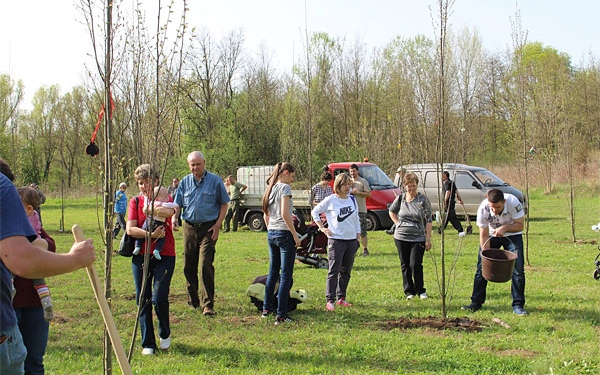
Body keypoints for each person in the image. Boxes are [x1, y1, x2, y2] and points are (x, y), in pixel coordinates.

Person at [0, 158, 95, 374]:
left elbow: (46, 243)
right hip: (11, 309)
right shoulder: (2, 189)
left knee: (34, 359)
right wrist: (75, 259)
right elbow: (20, 257)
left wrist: (38, 244)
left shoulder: (31, 225)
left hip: (33, 301)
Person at [126, 164, 177, 355]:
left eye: (146, 182)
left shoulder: (166, 197)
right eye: (140, 183)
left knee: (159, 297)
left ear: (156, 182)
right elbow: (130, 229)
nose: (143, 187)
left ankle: (165, 332)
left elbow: (171, 212)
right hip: (141, 256)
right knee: (143, 298)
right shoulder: (135, 202)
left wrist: (153, 209)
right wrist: (150, 233)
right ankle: (147, 342)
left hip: (165, 254)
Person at [174, 151, 229, 316]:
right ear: (188, 165)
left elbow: (224, 204)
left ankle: (208, 305)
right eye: (192, 164)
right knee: (188, 265)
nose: (195, 167)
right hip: (189, 227)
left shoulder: (215, 181)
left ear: (204, 163)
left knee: (205, 263)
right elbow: (178, 204)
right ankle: (193, 301)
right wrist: (174, 218)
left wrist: (218, 225)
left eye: (198, 164)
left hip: (209, 228)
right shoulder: (184, 182)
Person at [461, 189, 527, 316]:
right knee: (481, 268)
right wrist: (487, 257)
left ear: (504, 202)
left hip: (513, 235)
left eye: (498, 207)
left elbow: (520, 225)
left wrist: (506, 228)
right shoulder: (483, 208)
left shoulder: (513, 202)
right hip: (491, 235)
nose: (495, 210)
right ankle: (476, 302)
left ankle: (518, 305)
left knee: (518, 269)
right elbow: (484, 235)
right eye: (492, 207)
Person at [311, 173, 361, 311]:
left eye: (348, 184)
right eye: (344, 184)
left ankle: (341, 297)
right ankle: (330, 300)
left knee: (346, 270)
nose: (347, 187)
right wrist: (322, 228)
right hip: (336, 240)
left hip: (351, 240)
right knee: (334, 270)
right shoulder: (331, 200)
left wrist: (357, 235)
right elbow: (315, 212)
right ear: (338, 186)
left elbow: (356, 218)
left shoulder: (352, 199)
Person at [261, 162, 301, 325]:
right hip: (284, 233)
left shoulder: (270, 188)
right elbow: (286, 213)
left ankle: (266, 308)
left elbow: (265, 214)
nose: (292, 180)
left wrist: (271, 228)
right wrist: (295, 235)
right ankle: (281, 314)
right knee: (285, 275)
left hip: (272, 233)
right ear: (285, 172)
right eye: (292, 176)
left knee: (272, 273)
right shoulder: (284, 188)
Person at [388, 172, 433, 300]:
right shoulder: (400, 198)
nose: (411, 189)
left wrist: (428, 238)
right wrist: (397, 223)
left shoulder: (423, 200)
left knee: (415, 264)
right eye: (409, 186)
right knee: (405, 264)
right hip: (401, 237)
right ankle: (409, 291)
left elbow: (429, 220)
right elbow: (391, 211)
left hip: (418, 237)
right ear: (404, 186)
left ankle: (421, 290)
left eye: (414, 186)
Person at [17, 186, 54, 322]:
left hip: (32, 300)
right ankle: (46, 300)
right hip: (10, 305)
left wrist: (31, 245)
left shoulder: (23, 219)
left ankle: (45, 301)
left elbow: (51, 245)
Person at [132, 186, 178, 260]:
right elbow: (174, 206)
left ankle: (137, 246)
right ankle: (157, 250)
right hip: (158, 224)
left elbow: (145, 207)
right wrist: (176, 205)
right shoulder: (163, 204)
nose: (167, 199)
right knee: (162, 238)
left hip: (148, 222)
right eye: (165, 197)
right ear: (157, 198)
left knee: (141, 235)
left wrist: (147, 200)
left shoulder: (151, 203)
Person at [349, 164, 371, 255]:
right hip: (350, 211)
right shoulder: (348, 182)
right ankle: (353, 250)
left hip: (361, 210)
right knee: (352, 231)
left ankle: (365, 249)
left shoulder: (362, 181)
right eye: (351, 171)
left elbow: (369, 195)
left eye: (354, 171)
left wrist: (359, 193)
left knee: (362, 231)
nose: (352, 173)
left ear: (357, 171)